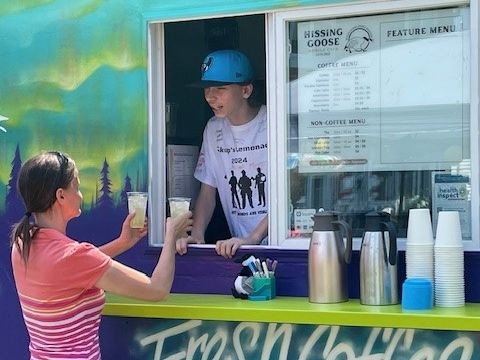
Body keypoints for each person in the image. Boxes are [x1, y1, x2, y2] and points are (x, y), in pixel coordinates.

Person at [10, 151, 192, 359]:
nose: (80, 194)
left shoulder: (22, 244)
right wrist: (171, 236)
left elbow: (70, 271)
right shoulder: (75, 257)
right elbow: (158, 289)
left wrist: (122, 243)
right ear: (61, 196)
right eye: (76, 187)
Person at [176, 49, 268, 258]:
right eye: (207, 88)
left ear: (246, 90)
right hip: (239, 247)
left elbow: (293, 194)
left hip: (277, 244)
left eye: (220, 88)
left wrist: (254, 238)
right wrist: (197, 234)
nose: (210, 95)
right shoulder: (213, 128)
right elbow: (208, 191)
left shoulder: (273, 123)